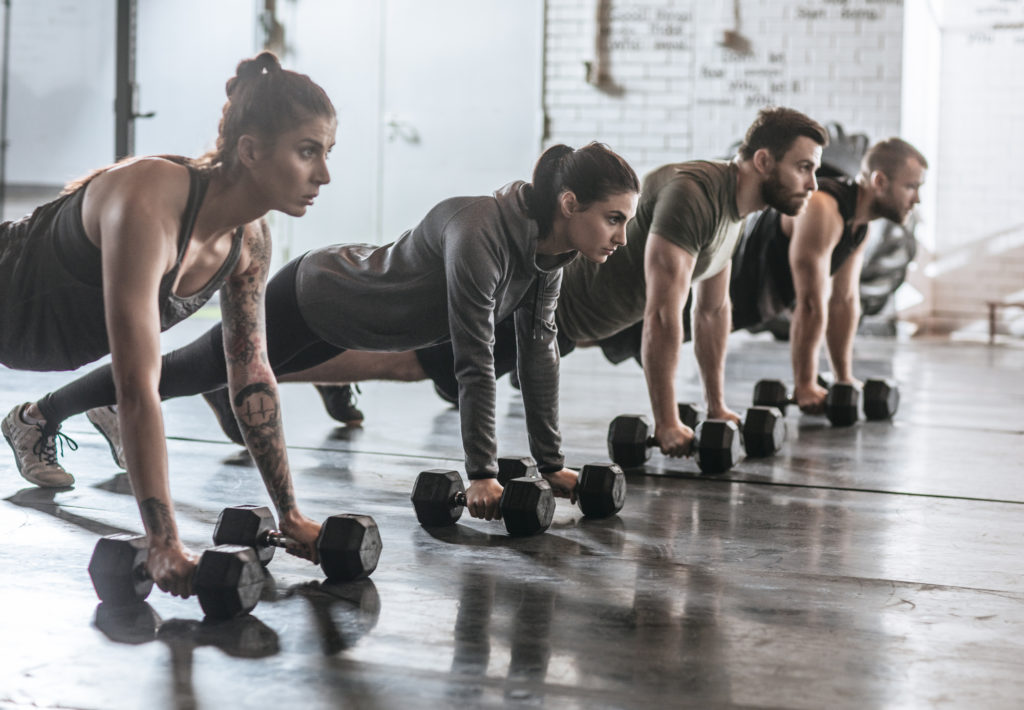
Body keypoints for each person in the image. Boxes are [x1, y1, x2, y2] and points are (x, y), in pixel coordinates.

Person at [17, 142, 641, 521]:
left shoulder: (547, 258)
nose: (620, 236)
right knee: (182, 370)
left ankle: (118, 404)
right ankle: (39, 415)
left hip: (358, 323)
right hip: (318, 295)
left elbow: (539, 354)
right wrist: (481, 472)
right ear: (568, 205)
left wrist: (551, 464)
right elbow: (473, 360)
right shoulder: (480, 230)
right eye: (614, 219)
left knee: (205, 376)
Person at [284, 107, 829, 459]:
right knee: (411, 363)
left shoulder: (737, 212)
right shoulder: (695, 195)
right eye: (804, 167)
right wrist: (666, 422)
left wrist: (716, 405)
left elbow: (711, 313)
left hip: (579, 325)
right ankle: (264, 372)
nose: (813, 182)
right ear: (763, 160)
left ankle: (312, 369)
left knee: (442, 376)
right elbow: (666, 313)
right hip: (539, 300)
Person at [1, 52, 335, 597]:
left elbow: (251, 376)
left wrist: (291, 516)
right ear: (250, 150)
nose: (323, 173)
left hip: (35, 342)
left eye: (326, 152)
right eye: (307, 152)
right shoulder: (148, 203)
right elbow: (136, 387)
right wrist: (163, 542)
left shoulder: (248, 242)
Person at [729, 137, 927, 412]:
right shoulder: (822, 208)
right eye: (911, 187)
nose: (916, 199)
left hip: (743, 307)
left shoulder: (859, 226)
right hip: (710, 296)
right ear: (879, 181)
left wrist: (843, 378)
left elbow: (843, 300)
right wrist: (805, 384)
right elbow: (810, 303)